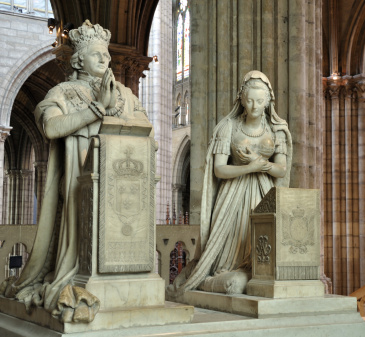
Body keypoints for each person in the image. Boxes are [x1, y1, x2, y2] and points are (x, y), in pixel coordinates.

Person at [0, 20, 151, 322]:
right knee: (84, 230)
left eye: (107, 56)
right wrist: (96, 110)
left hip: (121, 180)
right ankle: (76, 278)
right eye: (98, 55)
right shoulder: (63, 92)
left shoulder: (123, 94)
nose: (105, 60)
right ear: (79, 59)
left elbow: (146, 129)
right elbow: (52, 127)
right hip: (78, 174)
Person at [168, 70, 292, 297]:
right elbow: (219, 169)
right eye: (250, 100)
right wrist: (249, 167)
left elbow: (281, 170)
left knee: (262, 245)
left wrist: (262, 166)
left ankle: (257, 275)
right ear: (241, 99)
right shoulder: (228, 127)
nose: (254, 106)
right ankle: (221, 275)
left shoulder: (277, 130)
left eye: (260, 101)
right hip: (232, 197)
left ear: (268, 102)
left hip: (265, 195)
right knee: (229, 254)